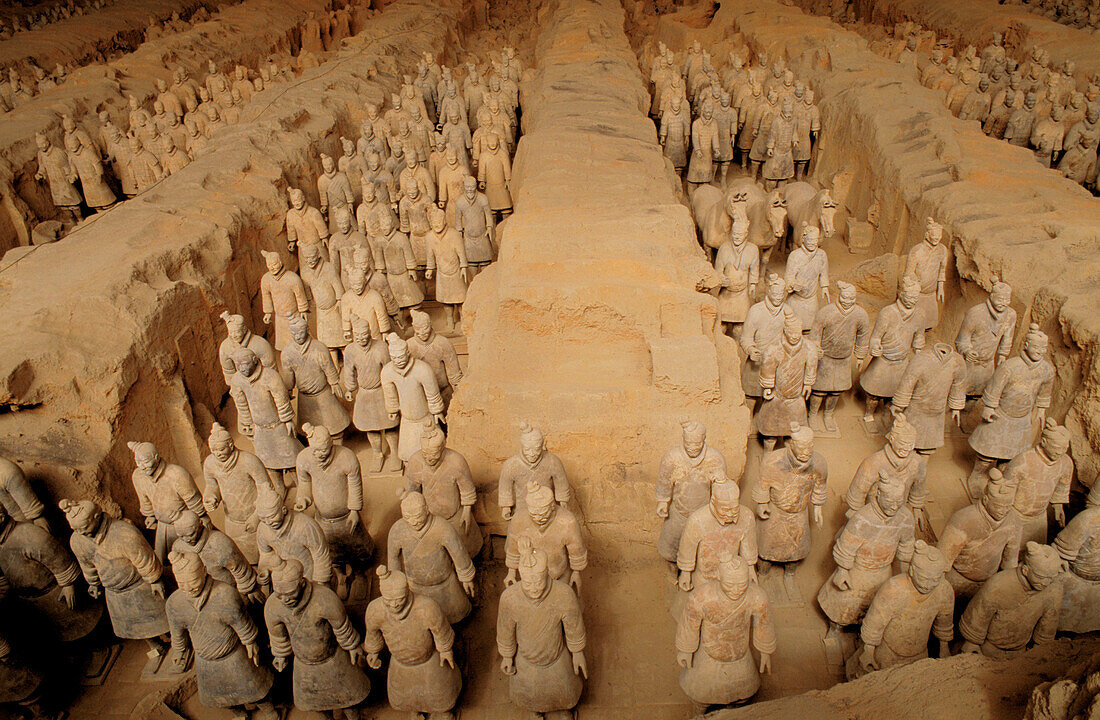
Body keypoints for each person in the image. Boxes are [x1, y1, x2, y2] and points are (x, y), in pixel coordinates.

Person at [496, 539, 587, 720]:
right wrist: (507, 656)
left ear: (547, 574)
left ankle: (562, 709)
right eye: (528, 584)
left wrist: (577, 653)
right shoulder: (510, 598)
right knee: (531, 694)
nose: (533, 589)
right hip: (526, 660)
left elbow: (573, 627)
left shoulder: (563, 594)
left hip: (557, 658)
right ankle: (536, 710)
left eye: (538, 582)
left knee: (563, 691)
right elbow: (505, 631)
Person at [363, 565, 461, 720]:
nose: (394, 605)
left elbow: (440, 630)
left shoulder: (427, 607)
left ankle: (443, 711)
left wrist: (445, 650)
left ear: (407, 592)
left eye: (399, 599)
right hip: (401, 663)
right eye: (389, 601)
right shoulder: (375, 610)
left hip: (429, 660)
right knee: (406, 695)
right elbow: (373, 634)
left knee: (439, 693)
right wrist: (373, 652)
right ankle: (416, 709)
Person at [675, 555, 775, 708]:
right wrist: (686, 650)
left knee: (743, 696)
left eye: (742, 585)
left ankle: (734, 711)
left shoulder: (757, 596)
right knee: (700, 696)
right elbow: (689, 623)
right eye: (729, 585)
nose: (736, 590)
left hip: (739, 654)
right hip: (709, 653)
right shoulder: (702, 596)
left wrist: (765, 651)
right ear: (719, 577)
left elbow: (764, 624)